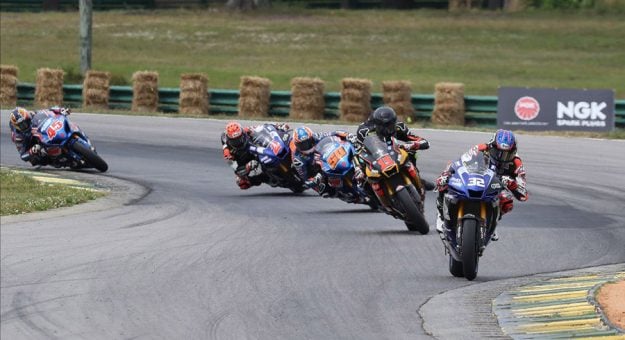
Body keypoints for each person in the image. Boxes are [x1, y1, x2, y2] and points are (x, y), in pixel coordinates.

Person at [434, 129, 528, 241]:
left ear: (513, 151)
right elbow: (458, 163)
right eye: (498, 152)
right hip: (474, 179)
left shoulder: (517, 163)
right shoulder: (480, 149)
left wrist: (512, 184)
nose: (501, 157)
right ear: (492, 146)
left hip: (495, 187)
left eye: (507, 154)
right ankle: (441, 215)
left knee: (507, 200)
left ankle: (493, 220)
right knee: (444, 183)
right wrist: (446, 174)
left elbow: (523, 194)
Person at [354, 106, 432, 195]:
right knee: (361, 175)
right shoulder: (364, 131)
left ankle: (415, 176)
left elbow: (423, 141)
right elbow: (357, 152)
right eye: (386, 126)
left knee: (411, 152)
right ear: (377, 125)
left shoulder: (399, 126)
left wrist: (412, 145)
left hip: (393, 151)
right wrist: (358, 168)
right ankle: (371, 190)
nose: (390, 128)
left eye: (391, 124)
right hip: (375, 156)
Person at [290, 126, 361, 198]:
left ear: (311, 138)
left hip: (329, 158)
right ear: (297, 145)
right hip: (317, 173)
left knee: (352, 147)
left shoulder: (316, 137)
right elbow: (305, 178)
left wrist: (348, 135)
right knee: (324, 190)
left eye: (307, 142)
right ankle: (342, 195)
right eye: (302, 144)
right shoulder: (297, 159)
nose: (306, 146)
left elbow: (334, 133)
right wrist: (315, 179)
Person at [220, 121, 289, 190]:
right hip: (246, 161)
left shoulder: (247, 130)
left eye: (240, 138)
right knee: (242, 183)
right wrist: (248, 166)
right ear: (229, 140)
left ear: (242, 133)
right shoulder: (229, 155)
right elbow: (237, 171)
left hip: (255, 149)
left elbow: (263, 127)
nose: (239, 142)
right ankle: (267, 179)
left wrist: (278, 126)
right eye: (235, 141)